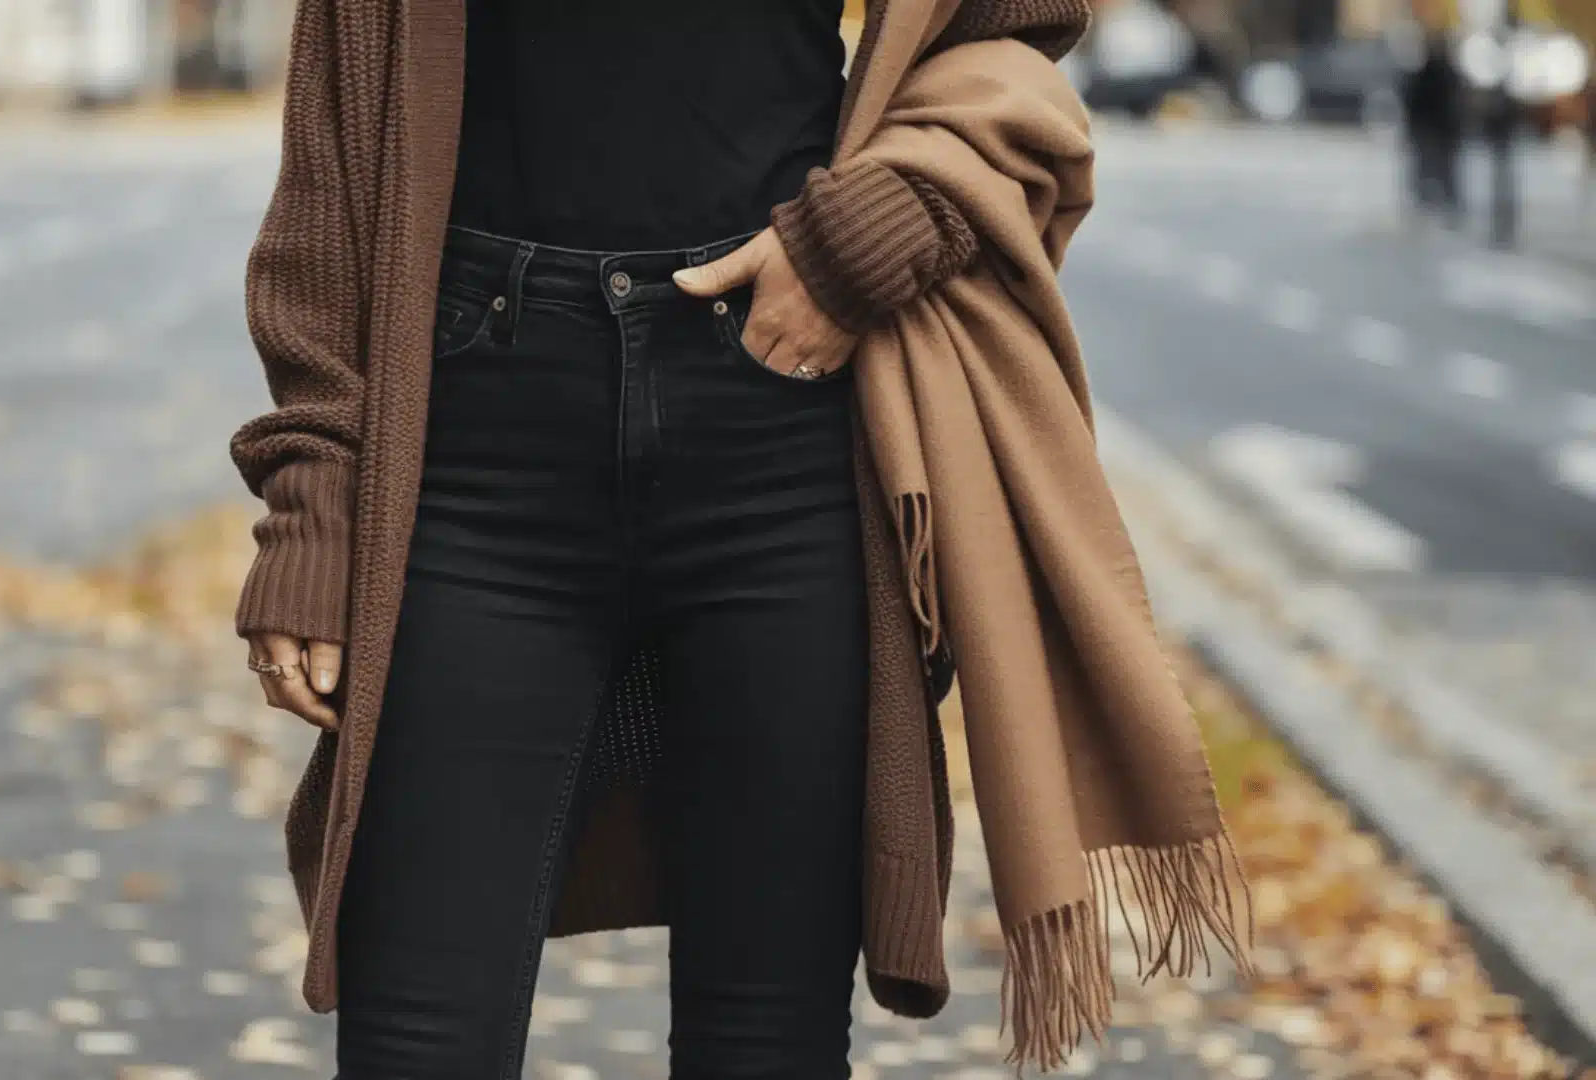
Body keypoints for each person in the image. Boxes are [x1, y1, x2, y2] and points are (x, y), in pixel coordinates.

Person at [231, 1, 1249, 1075]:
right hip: (471, 443)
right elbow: (331, 152)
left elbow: (1011, 26)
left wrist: (871, 232)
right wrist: (315, 497)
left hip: (784, 422)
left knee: (769, 1043)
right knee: (415, 1040)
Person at [1401, 24, 1467, 228]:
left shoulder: (1440, 75)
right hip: (1435, 131)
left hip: (1439, 131)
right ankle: (1434, 205)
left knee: (1439, 171)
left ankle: (1440, 206)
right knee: (1434, 171)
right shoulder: (1439, 74)